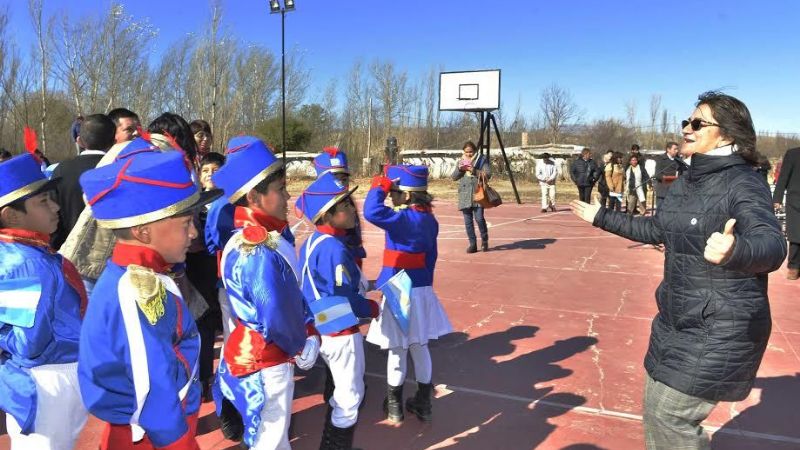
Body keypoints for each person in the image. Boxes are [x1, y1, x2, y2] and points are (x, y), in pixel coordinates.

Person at [571, 91, 787, 449]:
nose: (687, 127)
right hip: (675, 320)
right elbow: (658, 230)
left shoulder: (742, 181)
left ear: (728, 135)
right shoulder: (689, 178)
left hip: (720, 325)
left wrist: (737, 249)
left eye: (698, 123)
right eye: (687, 121)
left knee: (670, 415)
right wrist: (601, 217)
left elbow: (773, 244)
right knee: (656, 409)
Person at [210, 136, 319, 449]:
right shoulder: (257, 248)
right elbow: (275, 310)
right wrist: (302, 341)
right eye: (281, 190)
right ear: (255, 196)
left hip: (256, 351)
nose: (287, 197)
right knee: (270, 439)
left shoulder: (251, 236)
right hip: (267, 358)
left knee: (270, 437)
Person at [0, 154, 88, 449]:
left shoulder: (28, 252)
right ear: (11, 215)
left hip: (49, 377)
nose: (57, 206)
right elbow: (30, 342)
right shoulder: (24, 263)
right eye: (43, 202)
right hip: (48, 382)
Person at [296, 172, 380, 449]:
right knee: (349, 397)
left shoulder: (312, 242)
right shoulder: (334, 248)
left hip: (319, 323)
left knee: (340, 392)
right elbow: (344, 296)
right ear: (327, 215)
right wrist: (371, 307)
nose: (352, 210)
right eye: (343, 206)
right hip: (340, 328)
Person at [364, 164, 453, 424]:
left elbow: (371, 211)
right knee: (420, 346)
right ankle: (423, 402)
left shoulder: (403, 219)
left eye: (394, 191)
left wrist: (380, 184)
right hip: (422, 287)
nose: (391, 195)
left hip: (399, 288)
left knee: (397, 350)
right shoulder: (429, 220)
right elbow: (432, 258)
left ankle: (394, 406)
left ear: (407, 194)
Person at [51, 114, 116, 250]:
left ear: (79, 141)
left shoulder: (61, 170)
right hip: (109, 253)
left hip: (67, 250)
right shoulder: (118, 170)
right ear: (114, 140)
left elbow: (52, 212)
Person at [313, 147, 367, 267]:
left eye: (344, 180)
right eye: (335, 180)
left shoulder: (349, 201)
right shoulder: (324, 209)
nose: (341, 185)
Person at [452, 140, 491, 253]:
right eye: (467, 152)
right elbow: (454, 177)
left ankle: (484, 240)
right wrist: (461, 169)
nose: (469, 154)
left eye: (471, 152)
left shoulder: (482, 160)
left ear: (475, 151)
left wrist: (473, 170)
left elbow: (488, 174)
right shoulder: (460, 161)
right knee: (468, 221)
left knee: (479, 219)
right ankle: (472, 244)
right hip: (464, 194)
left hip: (478, 193)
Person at [773, 147, 800, 280]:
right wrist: (777, 198)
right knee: (796, 236)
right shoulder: (793, 154)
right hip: (796, 200)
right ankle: (794, 267)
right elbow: (784, 176)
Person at [653, 141, 681, 210]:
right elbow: (657, 174)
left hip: (674, 191)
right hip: (663, 190)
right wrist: (667, 178)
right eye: (675, 149)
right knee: (660, 211)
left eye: (677, 149)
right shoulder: (661, 159)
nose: (677, 151)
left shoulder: (679, 160)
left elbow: (682, 173)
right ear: (668, 149)